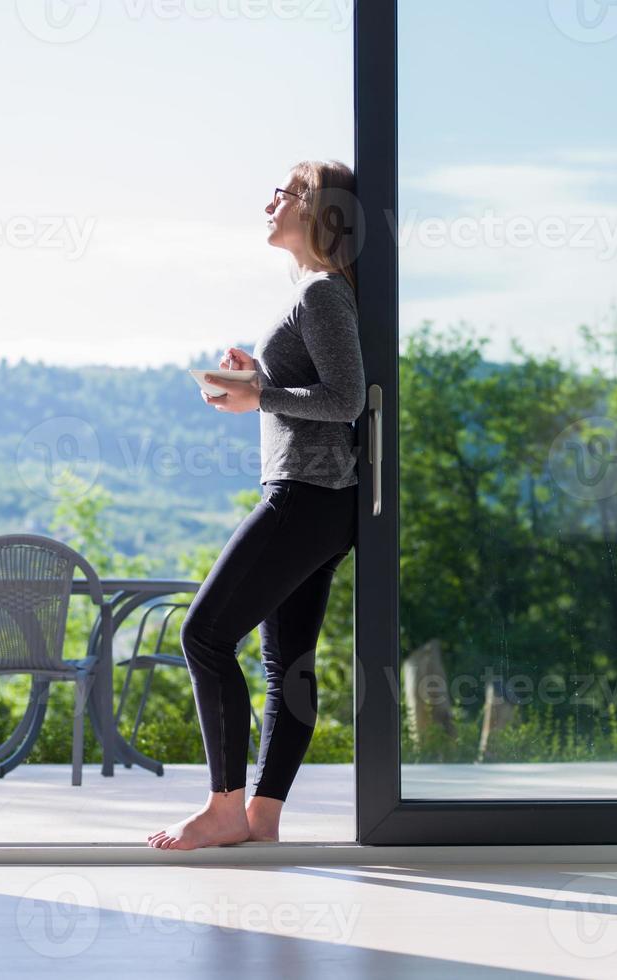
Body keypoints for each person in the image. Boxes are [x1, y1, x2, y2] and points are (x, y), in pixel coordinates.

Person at [147, 160, 365, 849]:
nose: (271, 199)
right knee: (286, 664)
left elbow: (345, 399)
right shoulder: (313, 293)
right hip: (317, 498)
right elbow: (319, 389)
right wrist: (261, 378)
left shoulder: (324, 293)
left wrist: (257, 395)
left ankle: (222, 808)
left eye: (288, 191)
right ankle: (259, 821)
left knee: (203, 636)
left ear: (317, 212)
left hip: (307, 495)